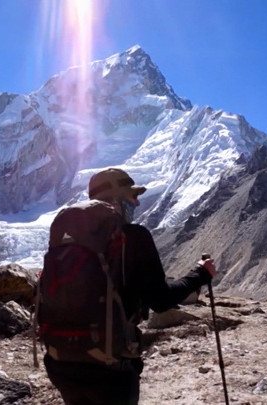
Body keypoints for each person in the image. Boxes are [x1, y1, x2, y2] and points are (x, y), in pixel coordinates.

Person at [43, 167, 216, 405]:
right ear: (115, 199)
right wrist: (200, 275)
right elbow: (161, 300)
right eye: (132, 197)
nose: (137, 204)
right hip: (111, 367)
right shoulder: (133, 236)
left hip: (61, 363)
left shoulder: (66, 243)